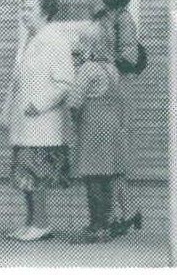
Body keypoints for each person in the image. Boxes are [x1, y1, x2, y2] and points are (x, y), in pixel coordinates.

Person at [0, 0, 74, 242]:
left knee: (35, 174)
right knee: (24, 174)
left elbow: (65, 82)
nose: (24, 13)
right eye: (23, 8)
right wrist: (5, 114)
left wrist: (38, 105)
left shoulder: (55, 39)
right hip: (25, 122)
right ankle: (31, 223)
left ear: (45, 12)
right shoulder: (29, 40)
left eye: (29, 9)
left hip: (42, 121)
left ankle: (41, 224)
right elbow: (16, 84)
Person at [86, 0, 143, 237]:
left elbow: (130, 57)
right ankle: (122, 213)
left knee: (114, 154)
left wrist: (100, 59)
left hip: (118, 93)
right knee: (108, 156)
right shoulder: (100, 20)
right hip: (103, 92)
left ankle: (121, 214)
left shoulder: (123, 18)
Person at [67, 24, 127, 244]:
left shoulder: (88, 69)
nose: (76, 45)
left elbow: (74, 102)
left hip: (92, 127)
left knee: (92, 176)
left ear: (88, 44)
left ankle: (96, 226)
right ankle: (106, 224)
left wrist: (75, 122)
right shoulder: (111, 69)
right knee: (106, 176)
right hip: (111, 126)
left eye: (80, 41)